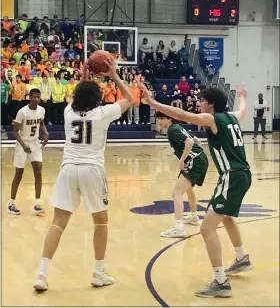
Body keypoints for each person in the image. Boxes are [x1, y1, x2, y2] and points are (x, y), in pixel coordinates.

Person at [140, 84, 253, 298]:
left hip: (232, 175)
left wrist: (153, 102)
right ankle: (241, 258)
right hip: (241, 175)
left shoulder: (212, 119)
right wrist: (242, 98)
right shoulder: (231, 117)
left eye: (202, 101)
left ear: (210, 105)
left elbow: (183, 114)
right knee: (226, 216)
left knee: (207, 228)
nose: (199, 104)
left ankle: (220, 282)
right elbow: (243, 111)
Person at [33, 58, 133, 291]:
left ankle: (41, 274)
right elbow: (129, 99)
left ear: (76, 96)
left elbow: (76, 96)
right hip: (92, 169)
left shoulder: (68, 112)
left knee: (58, 223)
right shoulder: (104, 112)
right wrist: (114, 76)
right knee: (100, 222)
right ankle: (98, 273)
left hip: (68, 169)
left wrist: (85, 73)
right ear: (98, 99)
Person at [155, 112, 208, 238]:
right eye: (158, 119)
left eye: (163, 118)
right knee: (188, 189)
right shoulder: (177, 127)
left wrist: (182, 160)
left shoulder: (173, 129)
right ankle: (194, 216)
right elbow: (196, 140)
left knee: (176, 192)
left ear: (170, 119)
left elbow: (189, 142)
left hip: (194, 161)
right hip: (198, 159)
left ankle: (179, 228)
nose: (159, 121)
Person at [8, 88, 49, 215]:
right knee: (19, 174)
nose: (36, 99)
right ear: (29, 97)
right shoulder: (22, 112)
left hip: (35, 143)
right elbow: (15, 131)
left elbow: (41, 124)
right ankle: (11, 203)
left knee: (38, 171)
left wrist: (45, 133)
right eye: (34, 97)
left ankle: (37, 203)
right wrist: (23, 144)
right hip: (23, 143)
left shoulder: (42, 110)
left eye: (38, 97)